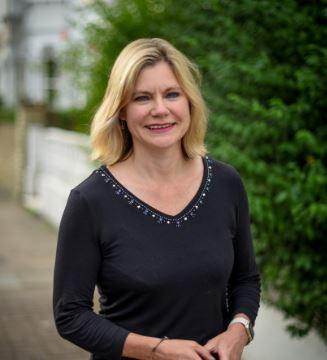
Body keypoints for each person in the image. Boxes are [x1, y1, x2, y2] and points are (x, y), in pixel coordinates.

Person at [53, 37, 261, 360]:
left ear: (189, 102)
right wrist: (157, 350)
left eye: (172, 94)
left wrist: (239, 330)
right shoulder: (90, 201)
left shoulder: (225, 183)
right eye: (142, 98)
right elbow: (70, 315)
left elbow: (246, 278)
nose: (160, 109)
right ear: (121, 111)